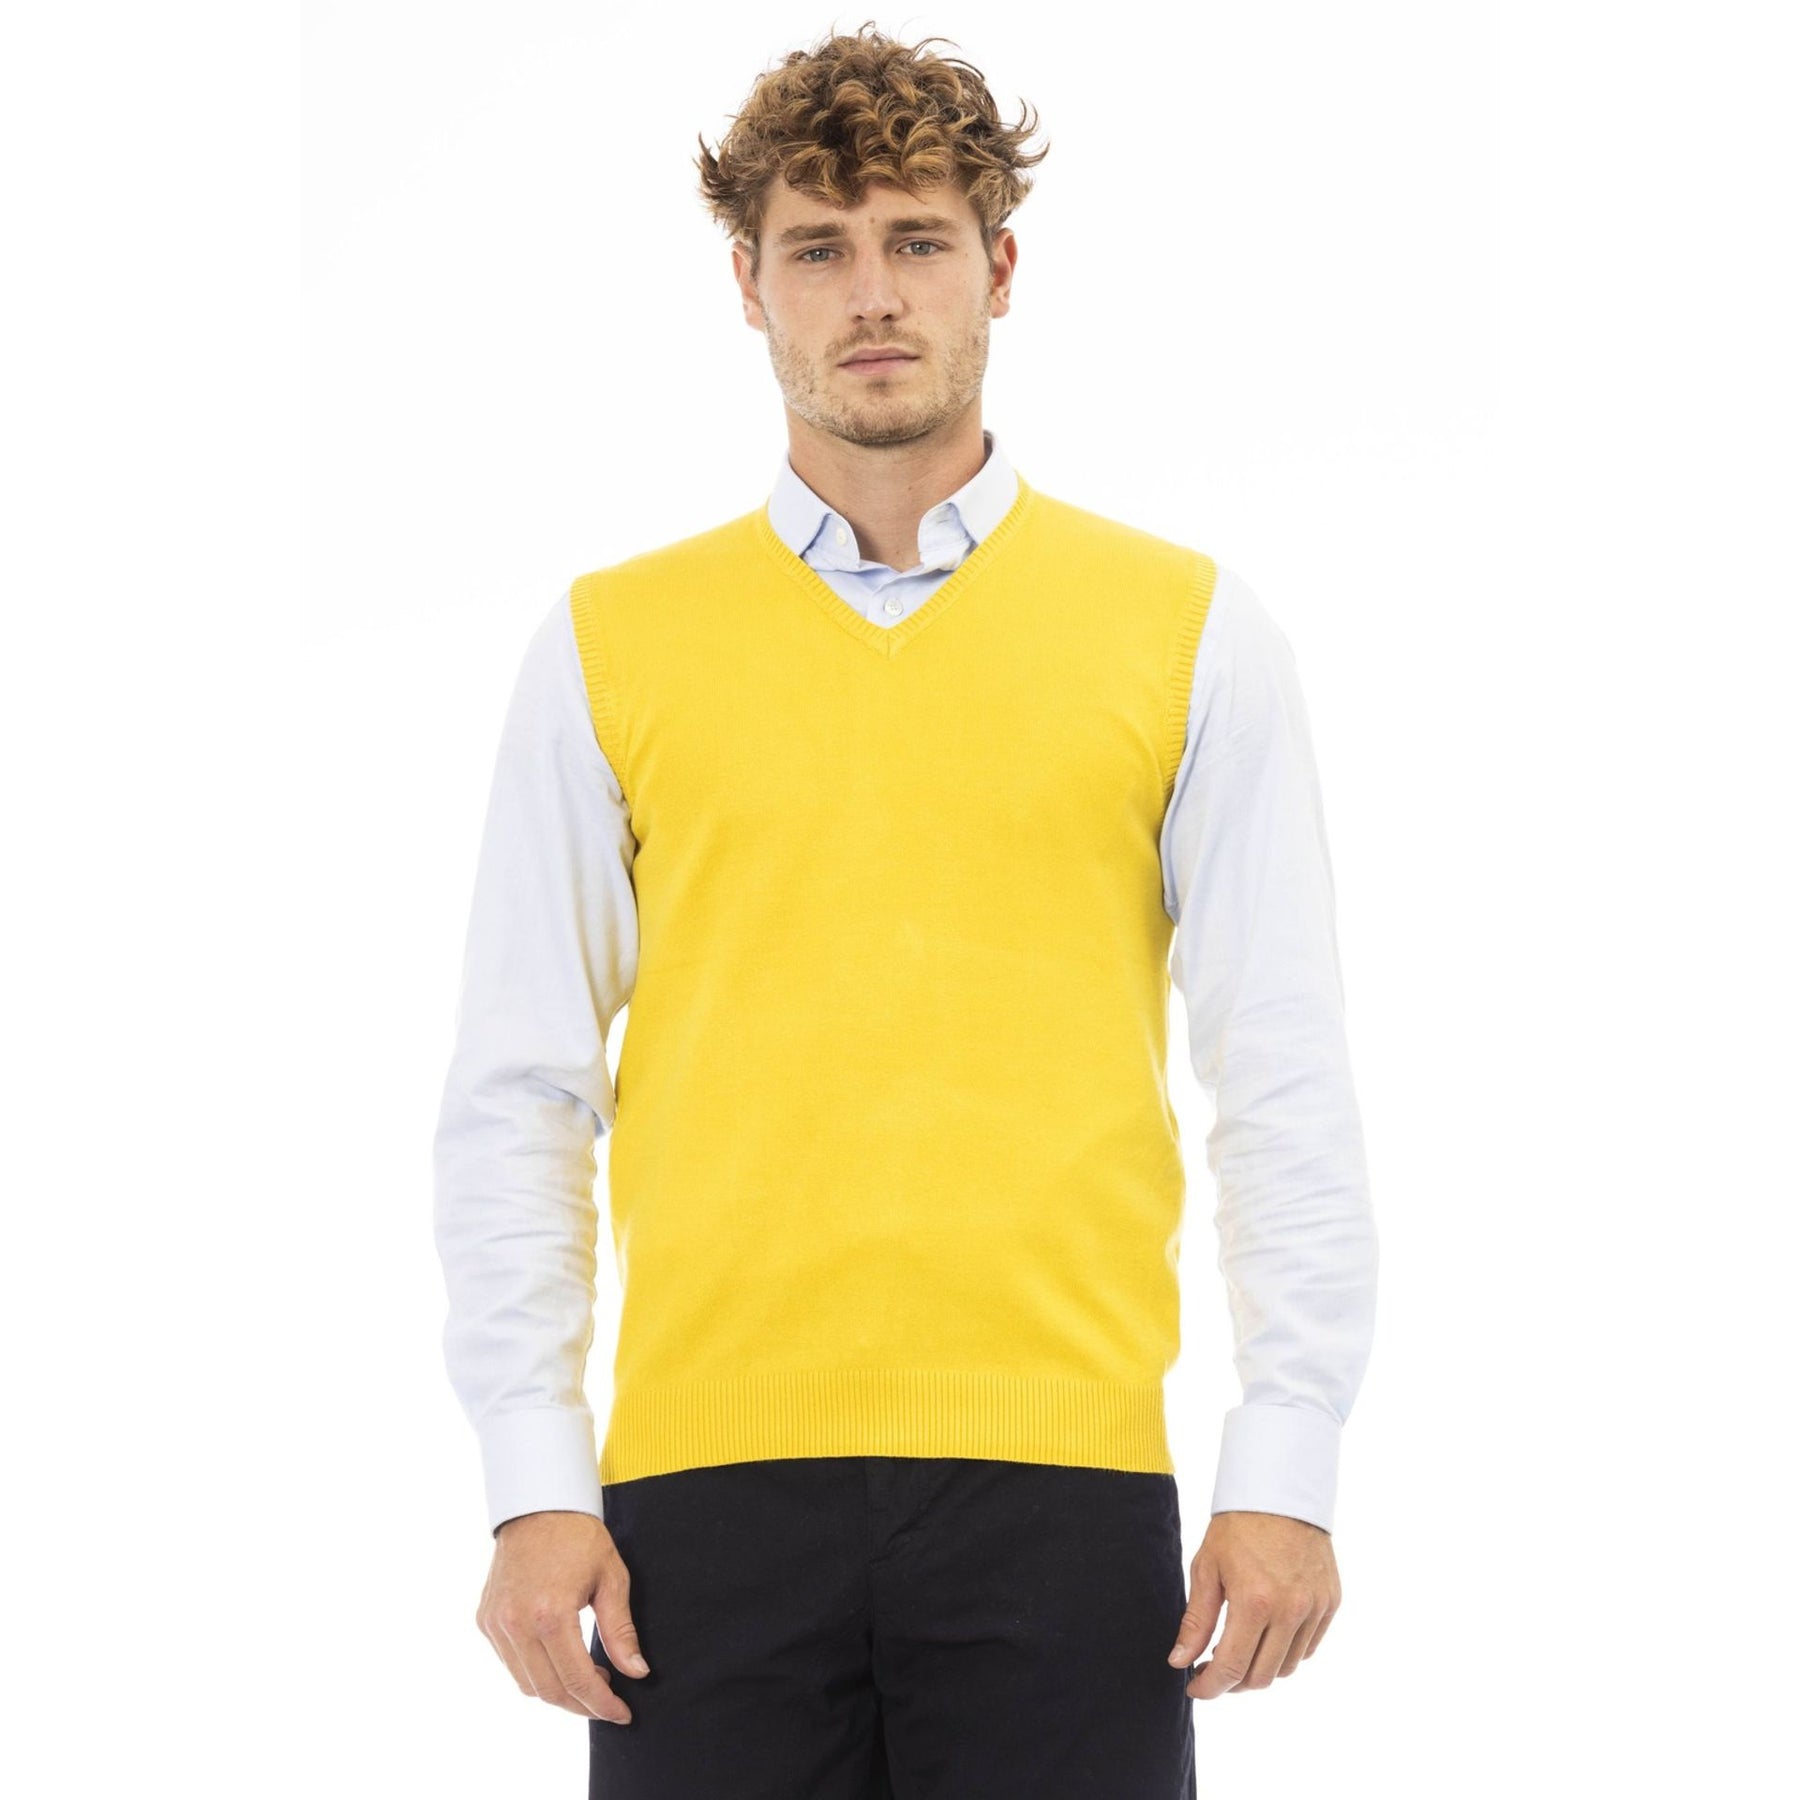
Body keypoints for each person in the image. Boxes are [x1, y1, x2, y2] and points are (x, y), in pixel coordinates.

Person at [432, 21, 1378, 1798]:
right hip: (698, 1511)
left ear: (999, 269)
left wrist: (1287, 1462)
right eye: (819, 247)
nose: (872, 295)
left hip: (1065, 1497)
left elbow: (1282, 1073)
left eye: (918, 240)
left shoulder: (1185, 633)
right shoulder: (609, 646)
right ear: (748, 285)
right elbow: (521, 1087)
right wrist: (533, 1481)